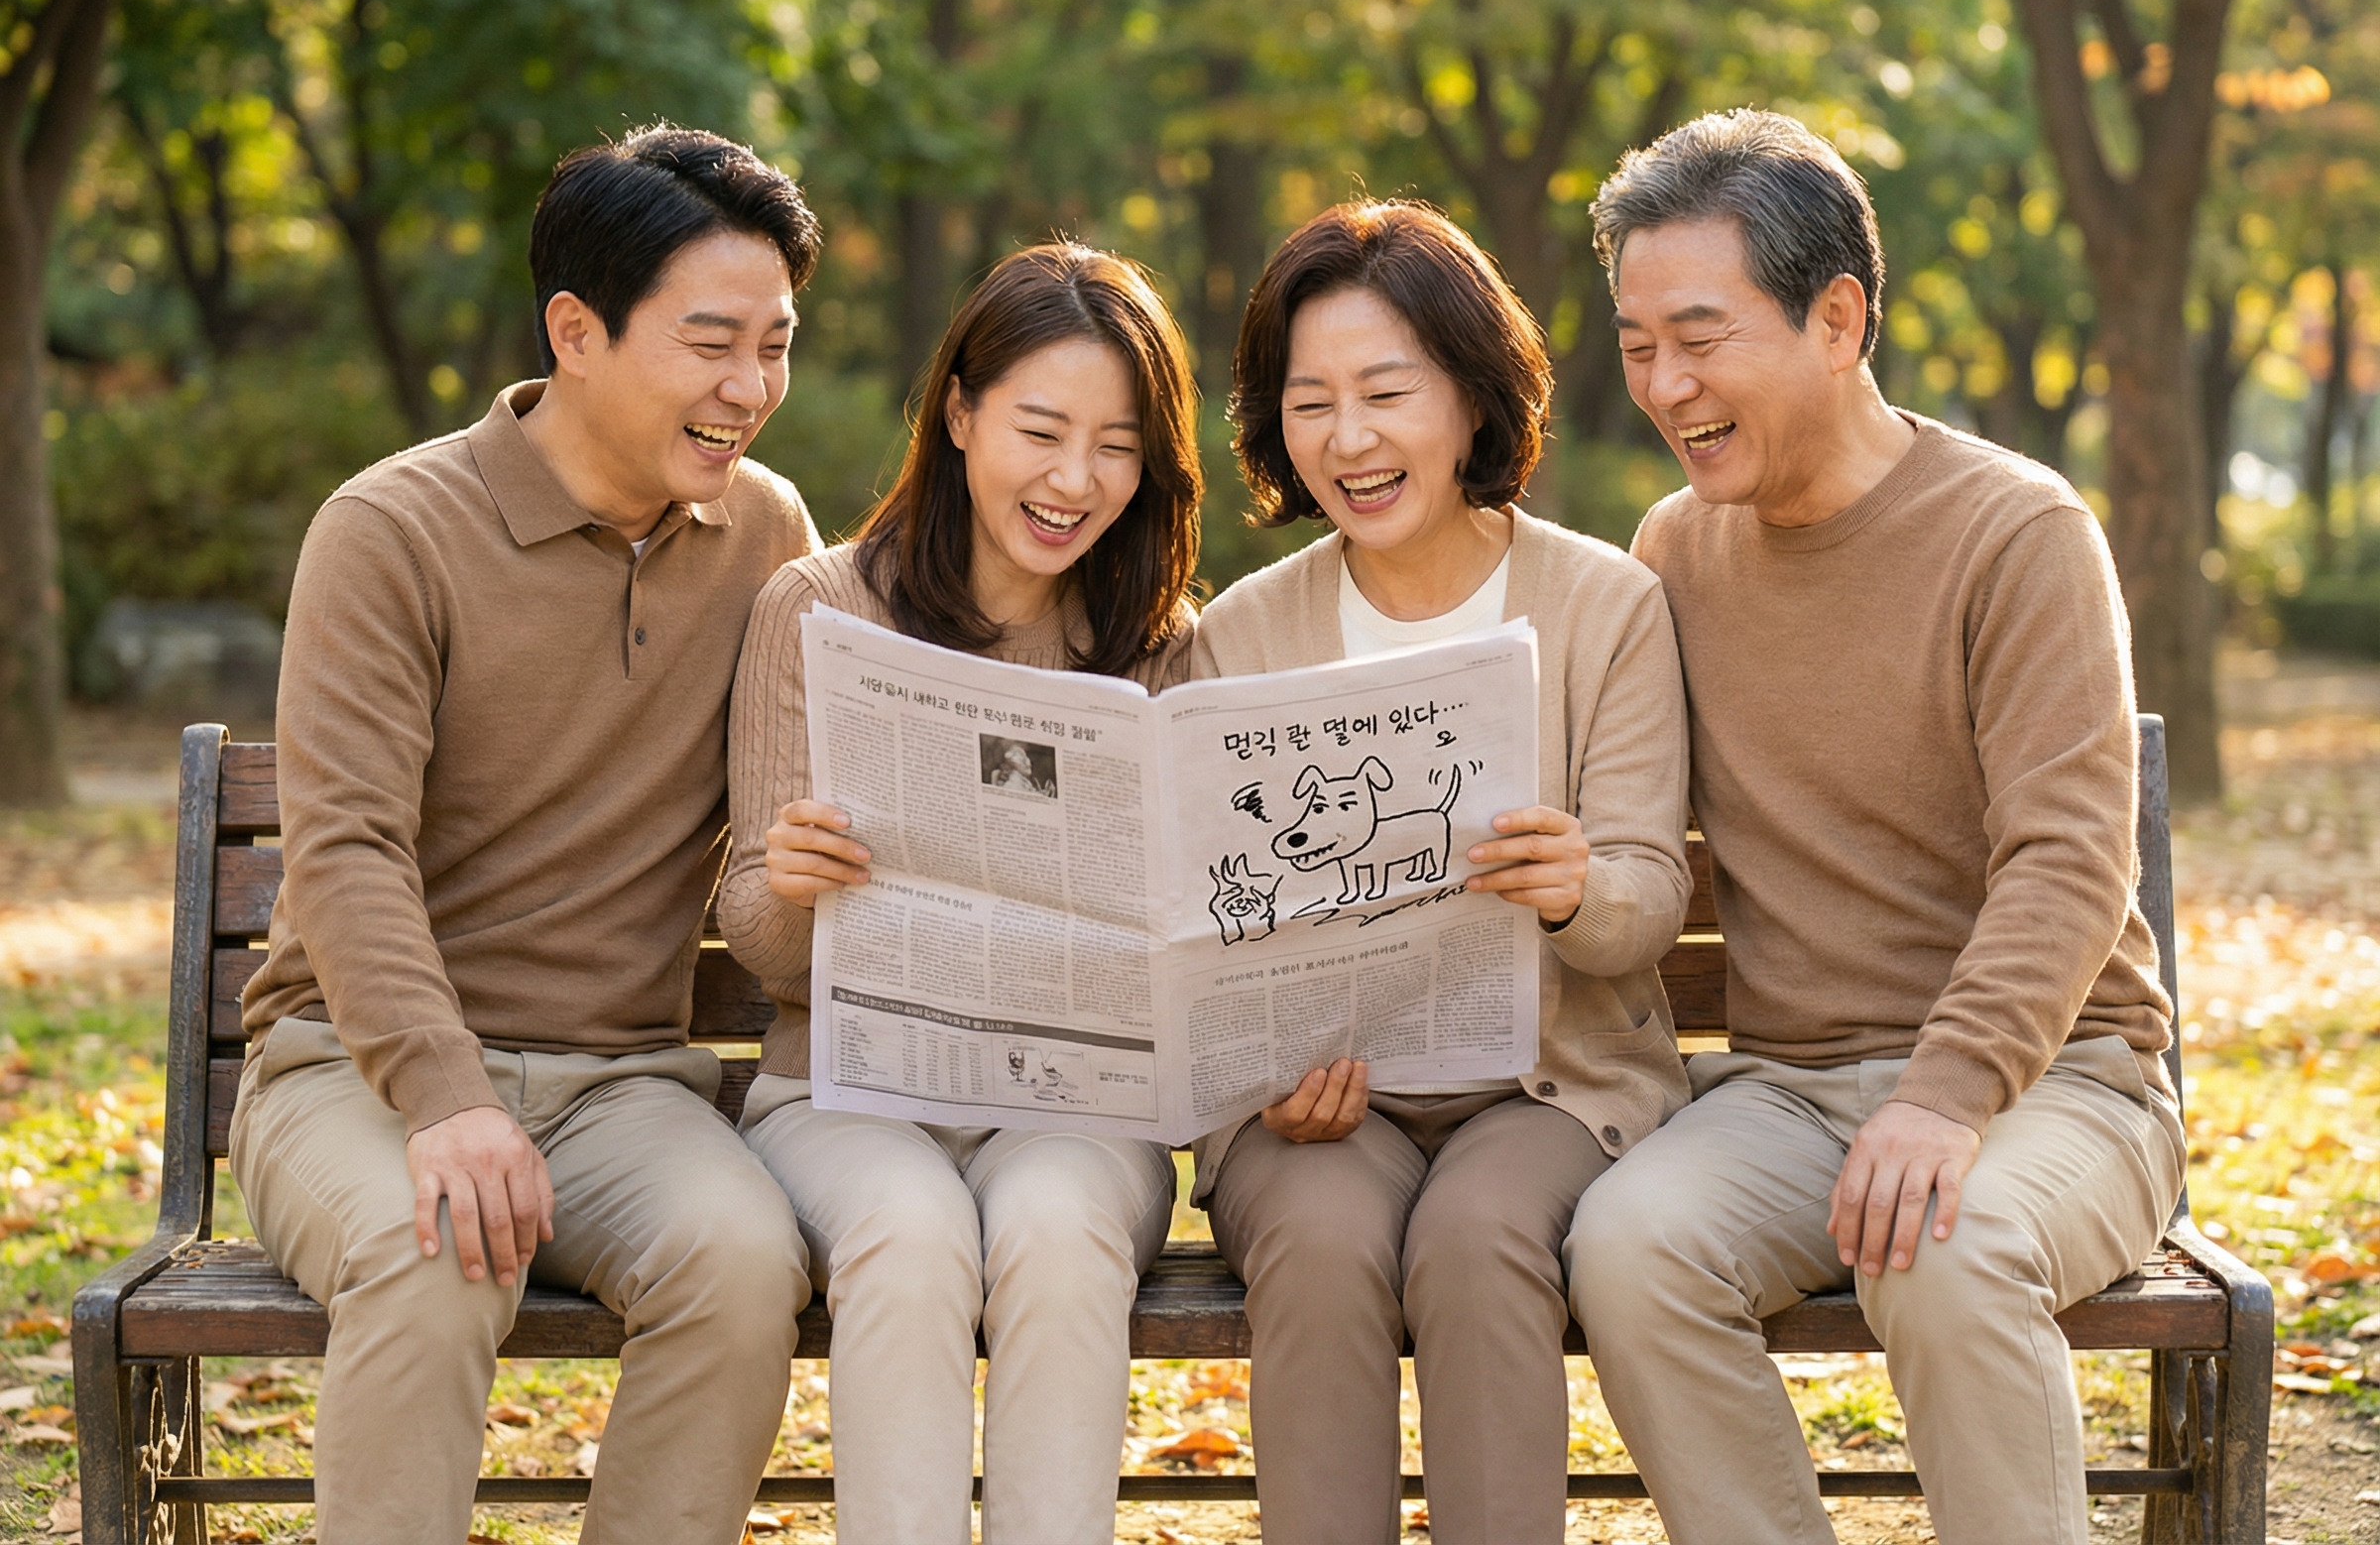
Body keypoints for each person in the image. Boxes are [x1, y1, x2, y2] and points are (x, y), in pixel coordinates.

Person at [1567, 108, 2185, 1545]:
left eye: (1702, 336)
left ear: (1837, 317)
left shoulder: (2018, 536)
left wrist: (1946, 1095)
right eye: (1637, 342)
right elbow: (1634, 837)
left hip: (2061, 1082)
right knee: (1633, 1243)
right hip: (1791, 1095)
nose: (1665, 383)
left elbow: (2070, 859)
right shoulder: (1675, 549)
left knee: (1947, 1250)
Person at [229, 126, 824, 1545]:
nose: (750, 391)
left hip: (621, 1090)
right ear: (576, 329)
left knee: (747, 1266)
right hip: (354, 1075)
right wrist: (448, 1097)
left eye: (777, 345)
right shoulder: (391, 532)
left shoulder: (767, 536)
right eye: (710, 344)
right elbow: (350, 848)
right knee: (432, 1258)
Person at [1189, 199, 1694, 1545]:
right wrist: (1261, 1072)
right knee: (1324, 1240)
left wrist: (1578, 884)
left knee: (1476, 1242)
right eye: (1311, 403)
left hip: (1546, 1084)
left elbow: (1650, 890)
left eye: (1385, 392)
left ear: (1472, 399)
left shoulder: (1604, 607)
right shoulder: (1240, 635)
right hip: (1315, 1104)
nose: (1348, 439)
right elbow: (1206, 925)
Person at [718, 243, 1204, 1545]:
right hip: (844, 1090)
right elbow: (759, 941)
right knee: (910, 1231)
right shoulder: (821, 608)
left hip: (1079, 1103)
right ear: (961, 411)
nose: (1074, 479)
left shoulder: (1162, 645)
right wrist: (795, 882)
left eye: (1116, 445)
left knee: (1052, 1231)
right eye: (1041, 430)